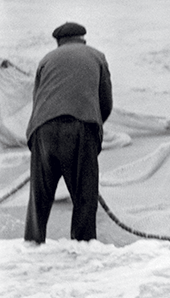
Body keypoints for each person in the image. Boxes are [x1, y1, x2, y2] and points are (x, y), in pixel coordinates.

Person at [24, 22, 113, 243]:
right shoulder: (97, 56)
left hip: (41, 130)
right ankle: (81, 252)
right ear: (83, 39)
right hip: (80, 128)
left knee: (39, 201)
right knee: (84, 198)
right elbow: (106, 103)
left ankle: (31, 251)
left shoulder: (46, 60)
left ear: (59, 42)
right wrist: (92, 132)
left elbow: (38, 102)